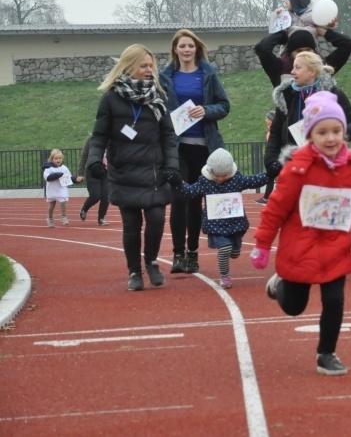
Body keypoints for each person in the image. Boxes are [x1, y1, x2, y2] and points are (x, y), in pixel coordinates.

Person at [250, 91, 351, 376]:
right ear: (310, 136)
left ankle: (326, 354)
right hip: (300, 248)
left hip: (336, 247)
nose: (331, 138)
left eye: (336, 131)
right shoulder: (297, 169)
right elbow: (275, 209)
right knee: (295, 307)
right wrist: (262, 245)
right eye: (322, 132)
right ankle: (280, 285)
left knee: (334, 301)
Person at [87, 44, 179, 291]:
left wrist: (172, 166)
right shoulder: (110, 98)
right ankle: (134, 272)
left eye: (151, 66)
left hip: (153, 173)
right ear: (129, 67)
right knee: (131, 225)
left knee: (157, 218)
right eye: (144, 66)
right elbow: (99, 135)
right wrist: (94, 160)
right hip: (123, 173)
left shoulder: (158, 96)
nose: (149, 70)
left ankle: (151, 262)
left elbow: (169, 136)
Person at [160, 29, 231, 276]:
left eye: (191, 46)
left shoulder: (208, 74)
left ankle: (193, 253)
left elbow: (224, 106)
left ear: (196, 48)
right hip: (177, 147)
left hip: (204, 145)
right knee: (179, 199)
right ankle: (178, 254)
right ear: (175, 49)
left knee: (196, 201)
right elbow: (158, 108)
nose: (187, 50)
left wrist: (206, 110)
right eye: (182, 46)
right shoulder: (165, 77)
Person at [167, 148, 268, 290]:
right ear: (210, 171)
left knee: (234, 251)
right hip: (216, 226)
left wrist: (270, 174)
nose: (220, 179)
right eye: (217, 176)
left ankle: (234, 249)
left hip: (236, 224)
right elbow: (190, 193)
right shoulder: (205, 182)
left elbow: (253, 181)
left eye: (224, 176)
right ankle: (224, 276)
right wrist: (178, 183)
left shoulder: (237, 179)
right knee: (224, 248)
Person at [264, 51, 351, 186]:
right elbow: (275, 132)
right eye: (293, 67)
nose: (292, 72)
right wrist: (271, 161)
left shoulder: (332, 94)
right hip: (294, 165)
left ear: (312, 72)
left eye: (298, 67)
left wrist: (336, 135)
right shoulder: (286, 96)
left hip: (326, 164)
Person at [254, 4, 351, 88]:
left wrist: (324, 32)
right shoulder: (279, 68)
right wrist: (282, 35)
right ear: (290, 52)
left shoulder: (323, 67)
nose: (304, 54)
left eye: (308, 49)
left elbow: (348, 44)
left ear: (314, 51)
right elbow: (262, 48)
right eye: (299, 51)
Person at [75, 134, 109, 225]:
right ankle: (84, 208)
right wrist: (80, 173)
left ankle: (101, 218)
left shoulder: (112, 139)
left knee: (106, 196)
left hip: (106, 171)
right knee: (95, 195)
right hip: (92, 170)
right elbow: (84, 156)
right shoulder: (91, 139)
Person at [43, 148, 72, 227]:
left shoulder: (64, 168)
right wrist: (56, 175)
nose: (58, 160)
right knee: (52, 204)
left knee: (63, 201)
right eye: (56, 158)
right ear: (52, 159)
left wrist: (76, 179)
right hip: (52, 189)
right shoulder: (48, 168)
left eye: (59, 158)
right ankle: (50, 218)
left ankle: (63, 216)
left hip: (61, 188)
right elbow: (47, 177)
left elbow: (69, 177)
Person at [254, 111, 275, 205]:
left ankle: (267, 198)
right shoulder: (272, 129)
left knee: (271, 177)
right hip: (273, 157)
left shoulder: (274, 130)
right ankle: (267, 198)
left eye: (267, 118)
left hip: (275, 157)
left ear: (271, 120)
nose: (265, 120)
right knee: (271, 177)